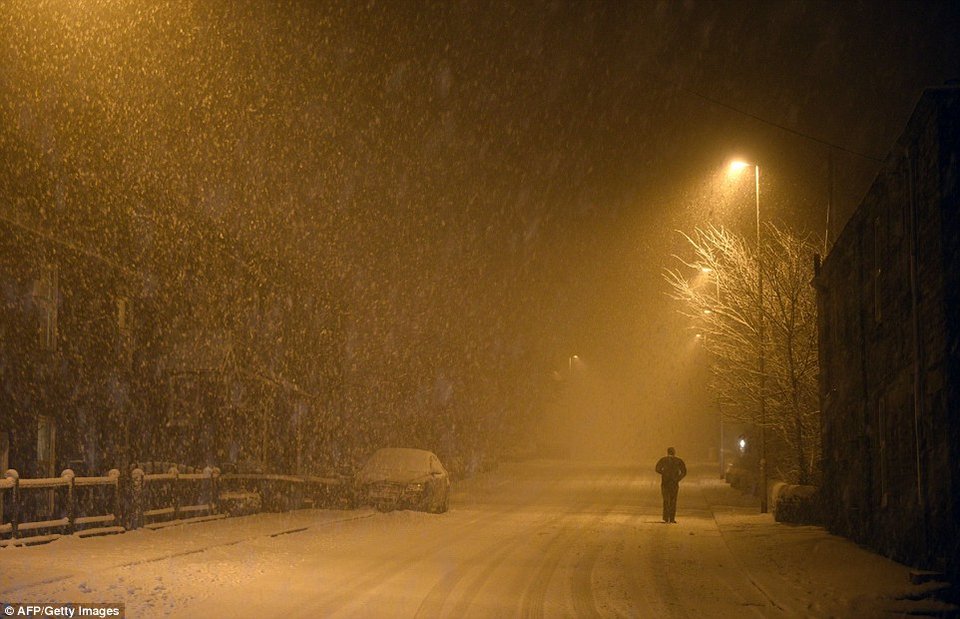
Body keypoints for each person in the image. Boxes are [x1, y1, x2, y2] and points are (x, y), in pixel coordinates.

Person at [655, 447, 687, 523]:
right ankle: (672, 518)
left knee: (666, 500)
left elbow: (657, 469)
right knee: (673, 500)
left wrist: (663, 473)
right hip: (674, 483)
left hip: (665, 483)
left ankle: (666, 517)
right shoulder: (678, 461)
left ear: (667, 452)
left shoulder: (663, 460)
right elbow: (684, 471)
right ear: (674, 453)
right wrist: (678, 478)